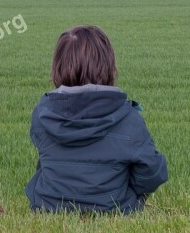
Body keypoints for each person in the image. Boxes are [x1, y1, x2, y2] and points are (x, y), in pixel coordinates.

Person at [25, 25, 168, 214]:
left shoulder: (42, 114)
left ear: (57, 67)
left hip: (49, 206)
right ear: (108, 66)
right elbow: (153, 171)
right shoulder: (129, 119)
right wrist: (130, 189)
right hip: (114, 207)